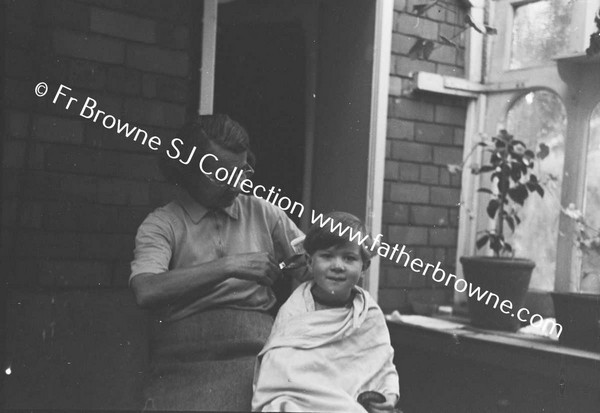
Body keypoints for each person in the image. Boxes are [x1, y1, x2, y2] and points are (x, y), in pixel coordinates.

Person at [129, 114, 308, 411]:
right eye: (221, 174)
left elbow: (307, 264)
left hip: (258, 349)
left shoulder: (264, 212)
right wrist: (229, 266)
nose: (236, 184)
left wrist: (330, 256)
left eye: (241, 171)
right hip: (184, 356)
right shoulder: (162, 223)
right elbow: (146, 290)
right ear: (188, 169)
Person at [252, 211, 400, 413]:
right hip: (302, 402)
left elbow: (382, 363)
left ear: (364, 266)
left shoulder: (369, 312)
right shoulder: (296, 310)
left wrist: (388, 394)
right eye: (327, 256)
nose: (337, 266)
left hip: (351, 400)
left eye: (349, 258)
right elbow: (280, 370)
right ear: (310, 262)